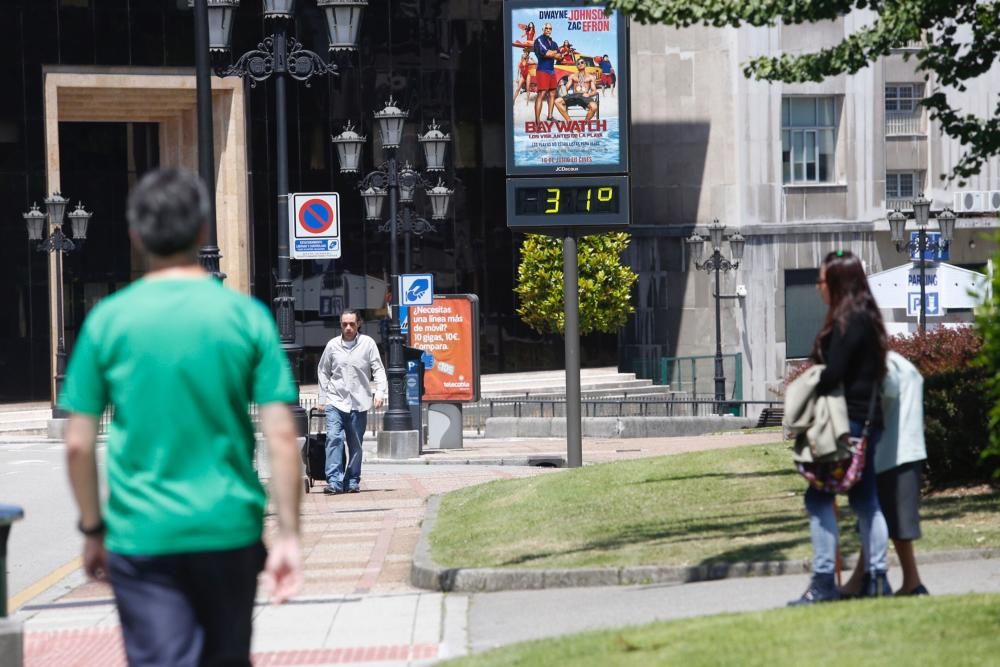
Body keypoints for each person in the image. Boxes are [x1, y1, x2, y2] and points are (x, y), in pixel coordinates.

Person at [60, 168, 303, 665]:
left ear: (135, 234)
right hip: (229, 529)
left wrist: (92, 530)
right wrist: (290, 536)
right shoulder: (246, 317)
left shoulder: (108, 321)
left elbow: (78, 443)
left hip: (142, 534)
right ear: (202, 231)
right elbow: (281, 436)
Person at [789, 249, 891, 605]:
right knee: (865, 499)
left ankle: (823, 583)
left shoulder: (848, 322)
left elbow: (835, 373)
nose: (818, 288)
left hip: (846, 423)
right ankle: (877, 579)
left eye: (821, 280)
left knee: (818, 496)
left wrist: (811, 380)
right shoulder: (867, 318)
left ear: (836, 283)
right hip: (868, 421)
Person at [840, 350, 930, 597]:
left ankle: (912, 583)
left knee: (891, 523)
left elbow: (884, 392)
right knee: (874, 521)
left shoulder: (883, 365)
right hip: (905, 449)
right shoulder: (904, 365)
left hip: (890, 453)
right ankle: (861, 579)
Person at [317, 309, 387, 495]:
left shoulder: (368, 344)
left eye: (352, 324)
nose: (348, 328)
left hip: (359, 402)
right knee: (334, 438)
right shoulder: (332, 346)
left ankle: (353, 479)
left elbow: (378, 369)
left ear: (359, 324)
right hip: (336, 400)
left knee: (355, 444)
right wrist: (323, 398)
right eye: (344, 324)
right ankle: (334, 481)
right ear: (340, 325)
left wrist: (379, 392)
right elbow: (323, 371)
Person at [554, 57, 599, 122]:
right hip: (574, 96)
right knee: (557, 101)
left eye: (582, 62)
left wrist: (589, 94)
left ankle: (585, 122)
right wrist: (562, 86)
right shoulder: (572, 76)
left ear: (585, 64)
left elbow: (594, 90)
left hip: (584, 96)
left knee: (594, 107)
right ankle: (569, 121)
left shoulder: (590, 77)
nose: (580, 64)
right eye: (578, 63)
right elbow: (566, 88)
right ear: (576, 66)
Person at [532, 23, 561, 123]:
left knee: (553, 93)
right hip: (542, 70)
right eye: (546, 28)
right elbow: (545, 53)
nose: (548, 30)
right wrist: (554, 53)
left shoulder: (554, 43)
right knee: (542, 93)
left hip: (552, 71)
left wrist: (552, 53)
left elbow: (560, 56)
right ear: (543, 29)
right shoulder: (539, 40)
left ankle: (550, 116)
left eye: (550, 28)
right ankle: (537, 121)